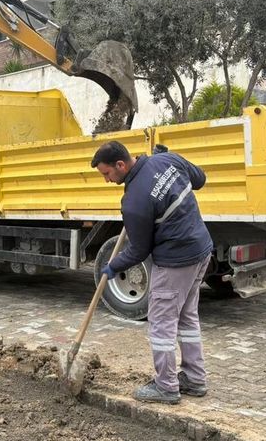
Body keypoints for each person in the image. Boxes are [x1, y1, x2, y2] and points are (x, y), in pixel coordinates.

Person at [91, 140, 213, 405]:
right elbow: (200, 179)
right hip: (201, 250)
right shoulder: (167, 161)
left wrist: (113, 266)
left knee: (161, 324)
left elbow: (138, 251)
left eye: (107, 174)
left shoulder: (133, 201)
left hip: (176, 262)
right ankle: (194, 378)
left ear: (120, 165)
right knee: (186, 317)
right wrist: (171, 162)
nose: (107, 180)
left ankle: (166, 387)